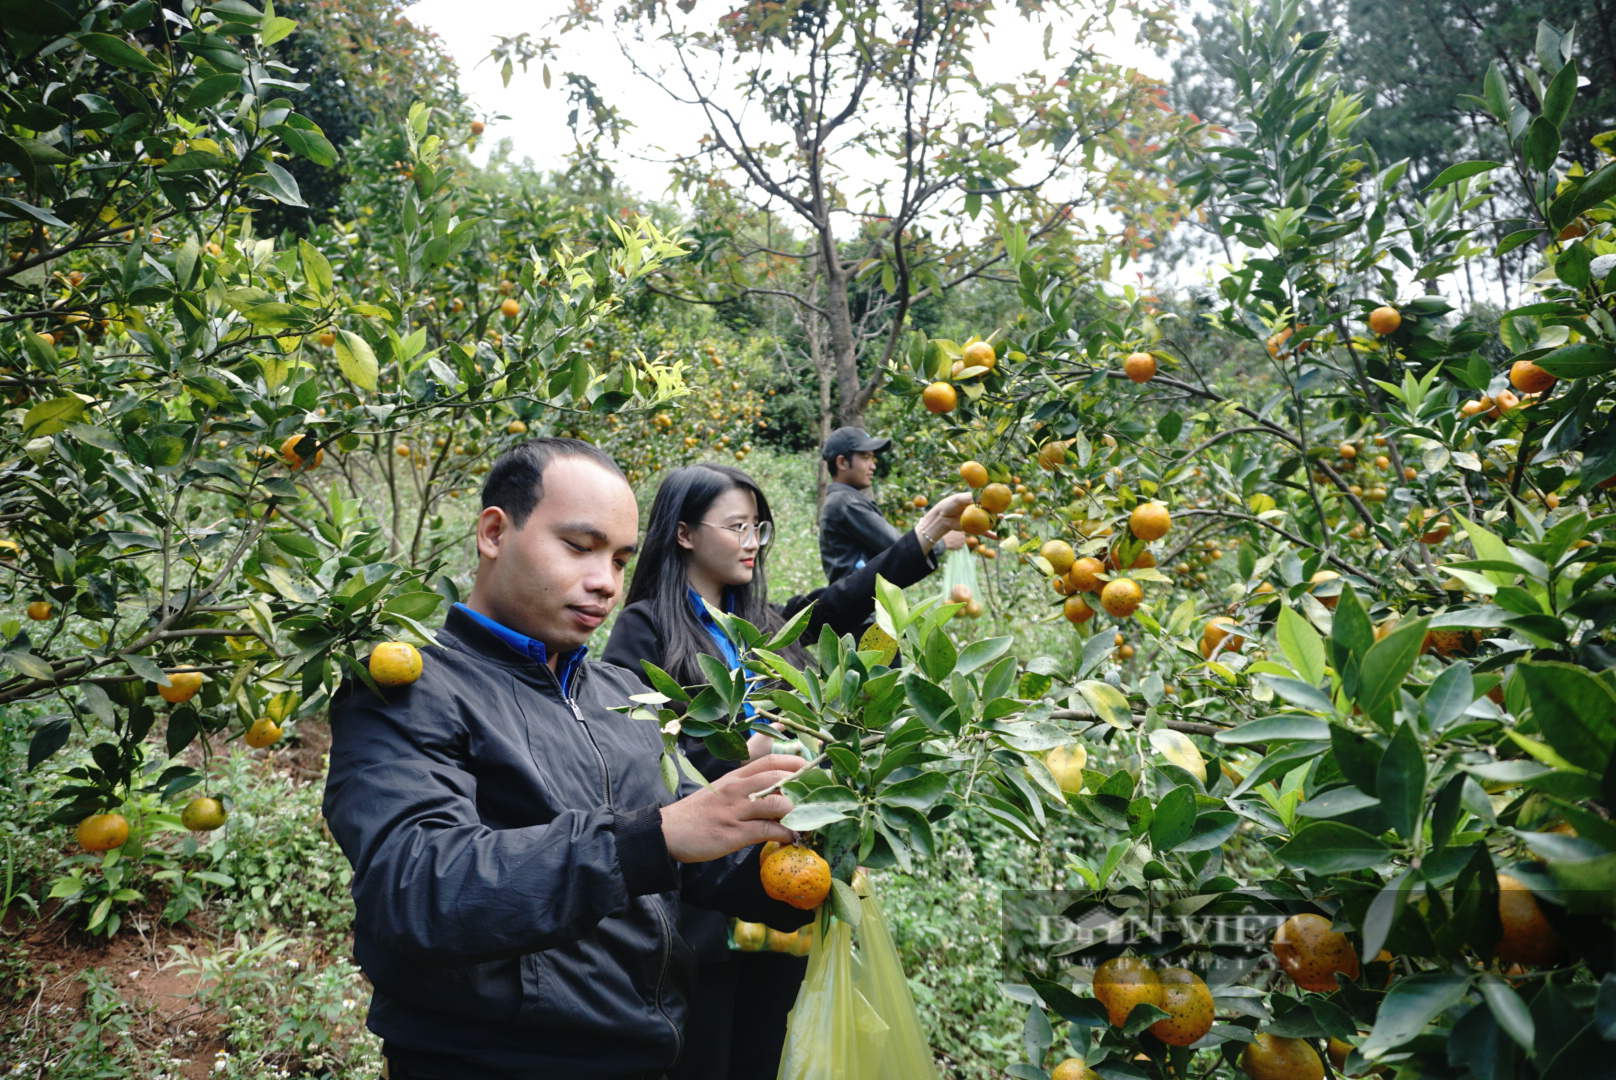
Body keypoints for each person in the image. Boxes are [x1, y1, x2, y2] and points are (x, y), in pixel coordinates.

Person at [322, 438, 817, 1080]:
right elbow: (418, 886)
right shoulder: (411, 689)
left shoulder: (622, 697)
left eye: (618, 558)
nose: (605, 582)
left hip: (646, 1055)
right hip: (489, 1061)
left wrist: (811, 845)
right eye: (579, 548)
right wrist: (656, 836)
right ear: (495, 533)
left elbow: (694, 859)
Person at [602, 464, 971, 1080]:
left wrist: (925, 535)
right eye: (737, 526)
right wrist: (737, 754)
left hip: (785, 889)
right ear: (686, 533)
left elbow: (841, 602)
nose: (751, 542)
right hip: (705, 907)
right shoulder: (646, 627)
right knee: (704, 1057)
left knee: (767, 1056)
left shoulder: (767, 629)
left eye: (759, 528)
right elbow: (632, 750)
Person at [819, 425, 965, 584]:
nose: (873, 466)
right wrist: (943, 542)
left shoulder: (844, 500)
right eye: (866, 457)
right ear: (842, 463)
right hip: (860, 606)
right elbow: (897, 548)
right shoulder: (846, 503)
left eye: (872, 458)